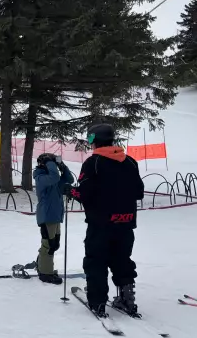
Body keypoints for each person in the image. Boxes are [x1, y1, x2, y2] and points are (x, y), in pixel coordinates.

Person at [70, 124, 144, 318]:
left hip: (101, 224)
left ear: (94, 140)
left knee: (96, 261)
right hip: (126, 223)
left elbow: (84, 193)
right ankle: (127, 297)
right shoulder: (130, 161)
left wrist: (69, 190)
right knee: (122, 260)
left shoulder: (93, 163)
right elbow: (139, 192)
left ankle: (98, 302)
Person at [33, 153, 73, 285]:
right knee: (48, 245)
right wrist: (50, 162)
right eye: (51, 163)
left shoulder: (53, 179)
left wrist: (62, 166)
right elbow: (55, 177)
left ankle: (43, 266)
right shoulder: (40, 177)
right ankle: (45, 273)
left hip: (55, 216)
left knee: (54, 245)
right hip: (47, 215)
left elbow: (69, 179)